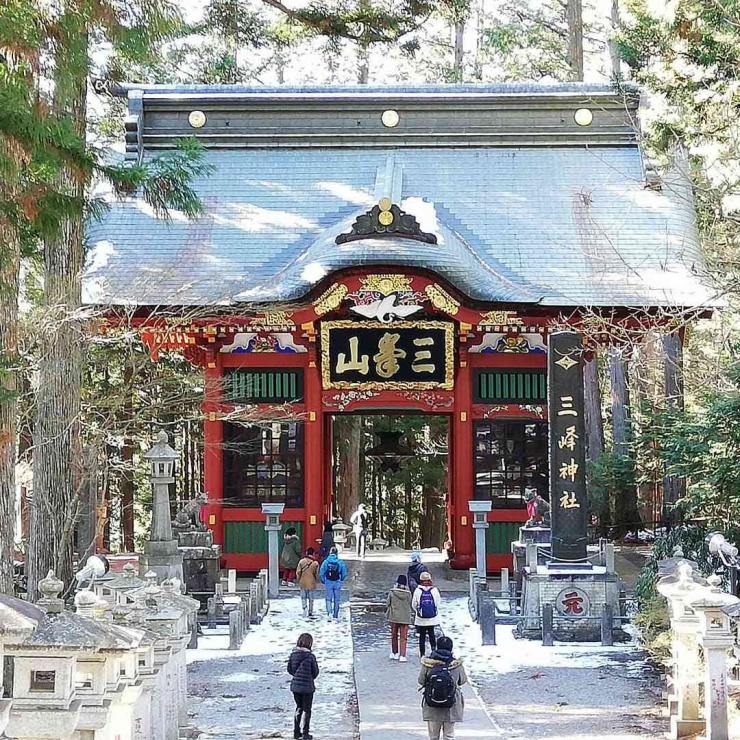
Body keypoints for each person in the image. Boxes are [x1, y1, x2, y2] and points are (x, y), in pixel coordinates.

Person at [417, 635, 467, 740]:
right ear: (451, 648)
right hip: (451, 704)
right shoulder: (456, 665)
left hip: (432, 704)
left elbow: (421, 681)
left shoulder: (428, 664)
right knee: (449, 735)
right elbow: (462, 681)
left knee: (433, 736)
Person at [287, 632, 319, 740]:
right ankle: (305, 733)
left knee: (299, 708)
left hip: (295, 687)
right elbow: (315, 672)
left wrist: (297, 676)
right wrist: (308, 677)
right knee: (307, 710)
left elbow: (290, 670)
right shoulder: (310, 656)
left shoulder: (293, 655)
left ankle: (296, 732)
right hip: (308, 687)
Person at [412, 571, 441, 657]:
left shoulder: (417, 591)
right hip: (432, 617)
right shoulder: (434, 590)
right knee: (431, 634)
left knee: (422, 636)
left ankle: (422, 653)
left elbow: (414, 604)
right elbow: (438, 602)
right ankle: (433, 650)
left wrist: (418, 611)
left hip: (421, 618)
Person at [386, 574, 414, 662]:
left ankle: (394, 653)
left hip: (394, 617)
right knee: (403, 637)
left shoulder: (392, 592)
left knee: (394, 636)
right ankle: (402, 655)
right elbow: (411, 604)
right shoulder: (408, 594)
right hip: (405, 618)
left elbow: (387, 604)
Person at [319, 546, 348, 619]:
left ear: (330, 553)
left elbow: (322, 572)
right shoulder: (340, 562)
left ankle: (329, 613)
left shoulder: (326, 562)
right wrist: (341, 579)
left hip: (328, 581)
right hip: (337, 581)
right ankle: (335, 614)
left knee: (328, 598)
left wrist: (323, 580)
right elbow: (344, 573)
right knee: (337, 599)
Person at [296, 547, 320, 618]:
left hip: (303, 582)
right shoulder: (315, 563)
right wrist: (316, 580)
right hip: (311, 582)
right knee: (311, 598)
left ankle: (304, 608)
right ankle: (310, 611)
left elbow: (298, 572)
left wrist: (299, 579)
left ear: (306, 553)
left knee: (303, 597)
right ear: (313, 554)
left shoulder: (301, 561)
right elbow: (317, 574)